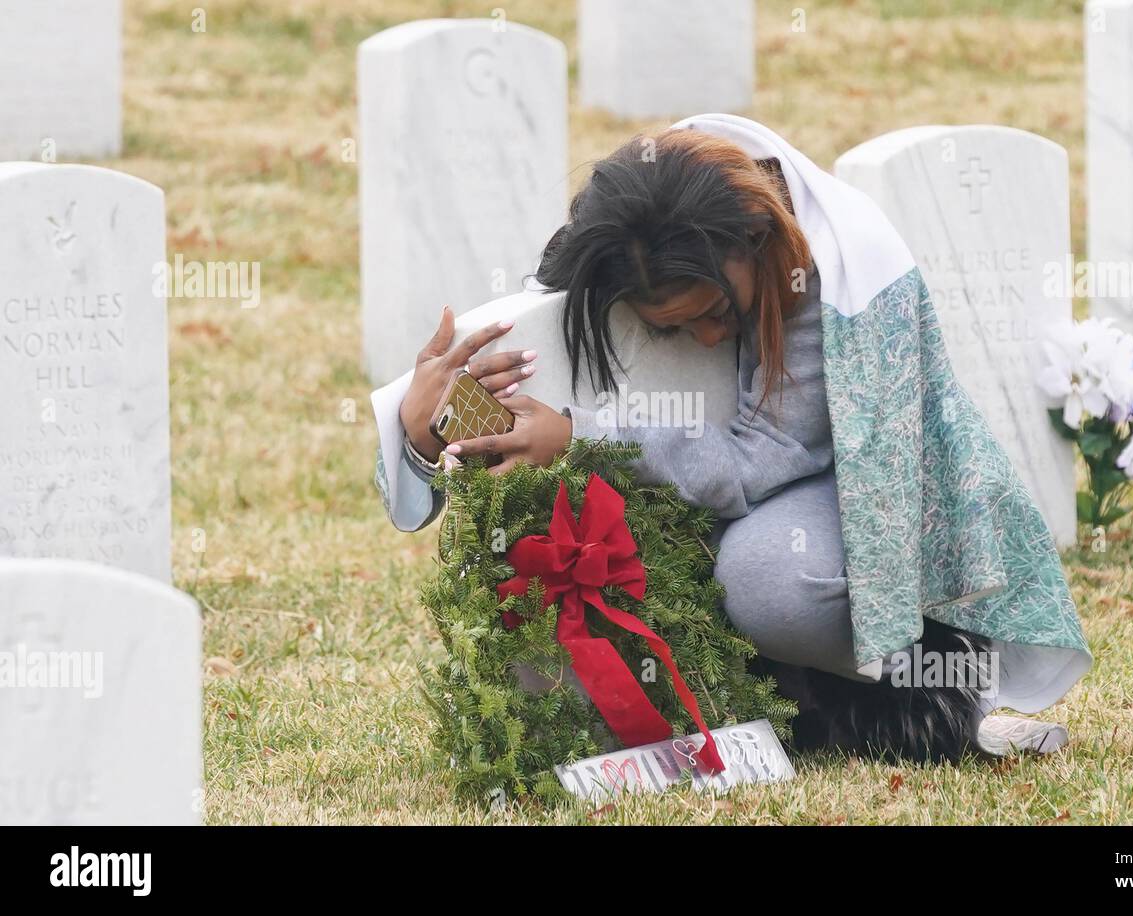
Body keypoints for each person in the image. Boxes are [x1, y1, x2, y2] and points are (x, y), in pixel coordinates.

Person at [372, 115, 1089, 762]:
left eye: (714, 311)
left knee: (771, 582)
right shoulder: (639, 228)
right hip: (724, 494)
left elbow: (755, 461)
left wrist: (582, 439)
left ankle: (892, 686)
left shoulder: (841, 273)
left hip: (838, 499)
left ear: (759, 238)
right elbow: (538, 361)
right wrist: (422, 433)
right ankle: (730, 702)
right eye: (671, 330)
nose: (709, 338)